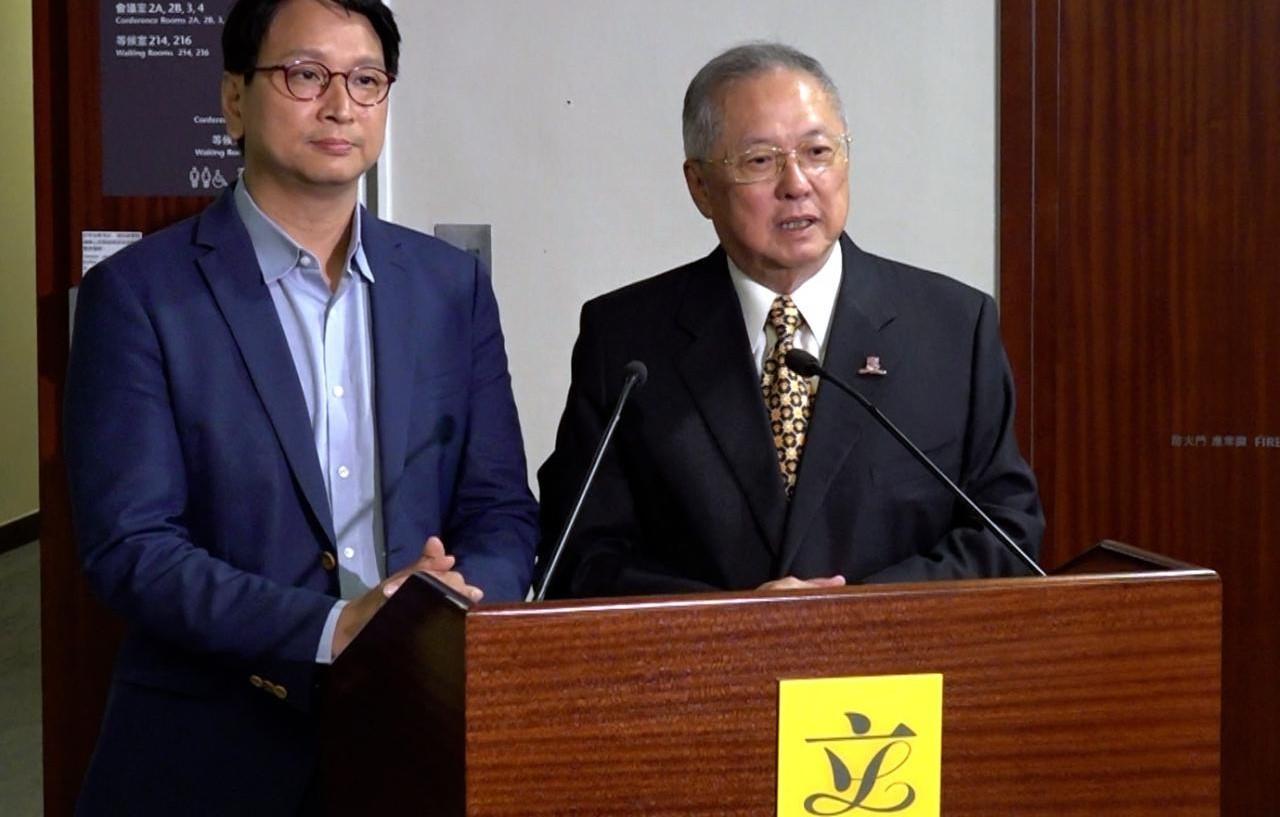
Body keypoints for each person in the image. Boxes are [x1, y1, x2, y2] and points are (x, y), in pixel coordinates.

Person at [63, 0, 537, 812]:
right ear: (234, 100)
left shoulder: (449, 287)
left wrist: (446, 612)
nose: (341, 105)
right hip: (210, 748)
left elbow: (501, 509)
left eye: (367, 80)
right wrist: (334, 628)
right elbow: (131, 545)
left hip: (415, 733)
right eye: (306, 75)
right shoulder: (138, 296)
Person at [538, 43, 1044, 598]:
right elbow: (579, 555)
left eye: (818, 152)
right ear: (700, 186)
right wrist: (741, 623)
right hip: (704, 654)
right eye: (760, 161)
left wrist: (852, 614)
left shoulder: (952, 329)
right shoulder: (626, 341)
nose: (797, 183)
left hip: (897, 654)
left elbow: (1008, 538)